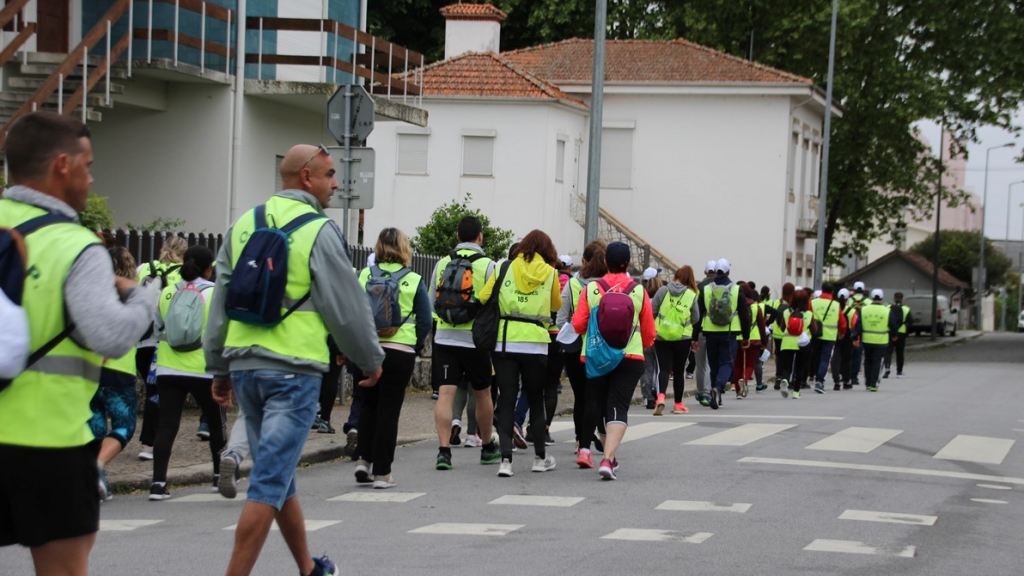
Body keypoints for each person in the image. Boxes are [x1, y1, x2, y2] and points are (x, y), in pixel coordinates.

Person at [206, 144, 384, 576]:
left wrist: (220, 366)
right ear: (306, 177)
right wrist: (369, 359)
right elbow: (346, 307)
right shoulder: (318, 231)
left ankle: (308, 569)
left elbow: (221, 302)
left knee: (279, 476)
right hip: (293, 373)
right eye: (329, 174)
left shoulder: (244, 224)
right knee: (268, 481)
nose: (337, 183)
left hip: (247, 369)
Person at [0, 111, 157, 576]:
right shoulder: (73, 245)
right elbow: (110, 334)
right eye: (87, 166)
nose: (91, 177)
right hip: (49, 440)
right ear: (62, 165)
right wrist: (142, 298)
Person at [352, 228, 432, 488]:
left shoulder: (363, 275)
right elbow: (425, 320)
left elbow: (350, 310)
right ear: (404, 249)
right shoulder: (413, 279)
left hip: (367, 348)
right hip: (400, 351)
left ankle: (363, 460)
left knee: (367, 404)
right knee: (389, 409)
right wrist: (415, 343)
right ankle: (382, 472)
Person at [479, 230, 562, 476]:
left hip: (505, 342)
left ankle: (505, 461)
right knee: (535, 399)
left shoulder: (504, 267)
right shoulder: (551, 273)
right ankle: (539, 458)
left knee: (506, 399)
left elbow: (484, 297)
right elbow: (555, 305)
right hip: (536, 343)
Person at [571, 241, 656, 480]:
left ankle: (585, 449)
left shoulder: (591, 289)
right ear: (628, 263)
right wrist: (643, 344)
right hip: (630, 356)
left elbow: (577, 325)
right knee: (618, 406)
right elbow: (649, 332)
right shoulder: (639, 291)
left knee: (593, 401)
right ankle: (608, 459)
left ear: (605, 262)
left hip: (596, 356)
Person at [149, 245, 225, 500]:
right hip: (203, 368)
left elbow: (158, 328)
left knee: (167, 425)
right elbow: (221, 330)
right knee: (216, 422)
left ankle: (158, 483)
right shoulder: (214, 293)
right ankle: (219, 476)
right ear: (208, 268)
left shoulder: (168, 292)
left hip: (168, 367)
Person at [429, 216, 500, 470]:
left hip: (445, 338)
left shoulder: (442, 263)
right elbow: (494, 306)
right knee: (482, 394)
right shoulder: (489, 266)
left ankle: (444, 451)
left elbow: (431, 304)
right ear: (480, 236)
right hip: (475, 341)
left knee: (446, 394)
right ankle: (488, 446)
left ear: (457, 236)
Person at [90, 246, 143, 501]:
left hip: (89, 370)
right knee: (124, 427)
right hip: (119, 370)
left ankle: (100, 484)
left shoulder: (91, 292)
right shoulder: (129, 295)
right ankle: (96, 466)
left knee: (96, 428)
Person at [555, 240, 608, 467]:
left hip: (576, 349)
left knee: (581, 397)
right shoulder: (609, 285)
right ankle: (602, 435)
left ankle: (580, 440)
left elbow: (560, 320)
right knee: (599, 396)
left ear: (584, 262)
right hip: (603, 349)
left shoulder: (573, 285)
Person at [135, 236, 188, 459]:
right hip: (163, 341)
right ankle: (151, 444)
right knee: (159, 393)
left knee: (151, 391)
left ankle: (150, 442)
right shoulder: (183, 273)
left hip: (140, 340)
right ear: (184, 253)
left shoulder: (143, 268)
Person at [691, 259, 752, 410]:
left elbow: (698, 315)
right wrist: (746, 336)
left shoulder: (706, 289)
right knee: (727, 363)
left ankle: (716, 394)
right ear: (728, 272)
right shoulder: (736, 289)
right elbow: (745, 315)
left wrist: (694, 337)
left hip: (709, 331)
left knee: (713, 364)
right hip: (730, 332)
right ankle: (718, 388)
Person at [650, 266, 699, 414]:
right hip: (682, 337)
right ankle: (678, 404)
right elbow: (696, 317)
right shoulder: (691, 295)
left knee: (663, 369)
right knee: (679, 371)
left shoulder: (663, 291)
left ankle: (660, 398)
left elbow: (652, 310)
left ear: (676, 276)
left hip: (661, 336)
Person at [851, 288, 898, 392]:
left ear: (872, 297)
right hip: (881, 341)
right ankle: (873, 384)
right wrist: (894, 335)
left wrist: (855, 337)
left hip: (867, 340)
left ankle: (867, 383)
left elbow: (858, 325)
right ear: (881, 298)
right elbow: (893, 324)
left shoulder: (863, 310)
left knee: (867, 361)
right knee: (877, 362)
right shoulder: (887, 310)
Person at [729, 282, 767, 399]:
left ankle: (737, 389)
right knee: (750, 364)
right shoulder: (756, 307)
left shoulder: (734, 305)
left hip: (736, 336)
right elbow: (761, 325)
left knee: (737, 364)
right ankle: (744, 380)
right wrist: (763, 342)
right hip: (753, 338)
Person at [809, 283, 846, 394]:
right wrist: (842, 332)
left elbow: (807, 316)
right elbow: (842, 322)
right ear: (832, 292)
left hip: (816, 334)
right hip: (829, 336)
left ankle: (816, 375)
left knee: (816, 357)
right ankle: (819, 381)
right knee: (825, 358)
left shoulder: (813, 303)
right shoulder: (836, 305)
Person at [777, 289, 812, 399]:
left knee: (787, 367)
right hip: (802, 343)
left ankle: (785, 380)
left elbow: (782, 328)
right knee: (800, 367)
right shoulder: (809, 314)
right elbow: (815, 330)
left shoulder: (787, 312)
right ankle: (796, 392)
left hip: (787, 342)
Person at [692, 260, 718, 406]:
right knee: (710, 362)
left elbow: (696, 313)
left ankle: (701, 391)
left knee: (700, 363)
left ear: (705, 272)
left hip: (701, 329)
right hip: (717, 330)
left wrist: (693, 336)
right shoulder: (723, 286)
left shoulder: (699, 288)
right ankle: (708, 391)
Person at [640, 268, 664, 409]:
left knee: (647, 367)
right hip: (660, 335)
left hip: (644, 335)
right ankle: (657, 391)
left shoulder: (641, 297)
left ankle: (647, 395)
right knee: (659, 367)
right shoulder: (661, 299)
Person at [846, 281, 870, 385]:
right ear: (864, 290)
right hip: (862, 330)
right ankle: (854, 377)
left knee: (847, 354)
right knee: (858, 354)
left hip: (849, 329)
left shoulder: (849, 300)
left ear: (854, 290)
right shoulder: (868, 301)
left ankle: (845, 374)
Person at [884, 292, 912, 378]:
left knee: (888, 351)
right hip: (901, 333)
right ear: (902, 299)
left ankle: (887, 368)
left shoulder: (888, 307)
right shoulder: (906, 309)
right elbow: (911, 321)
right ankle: (899, 372)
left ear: (894, 298)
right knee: (900, 353)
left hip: (890, 332)